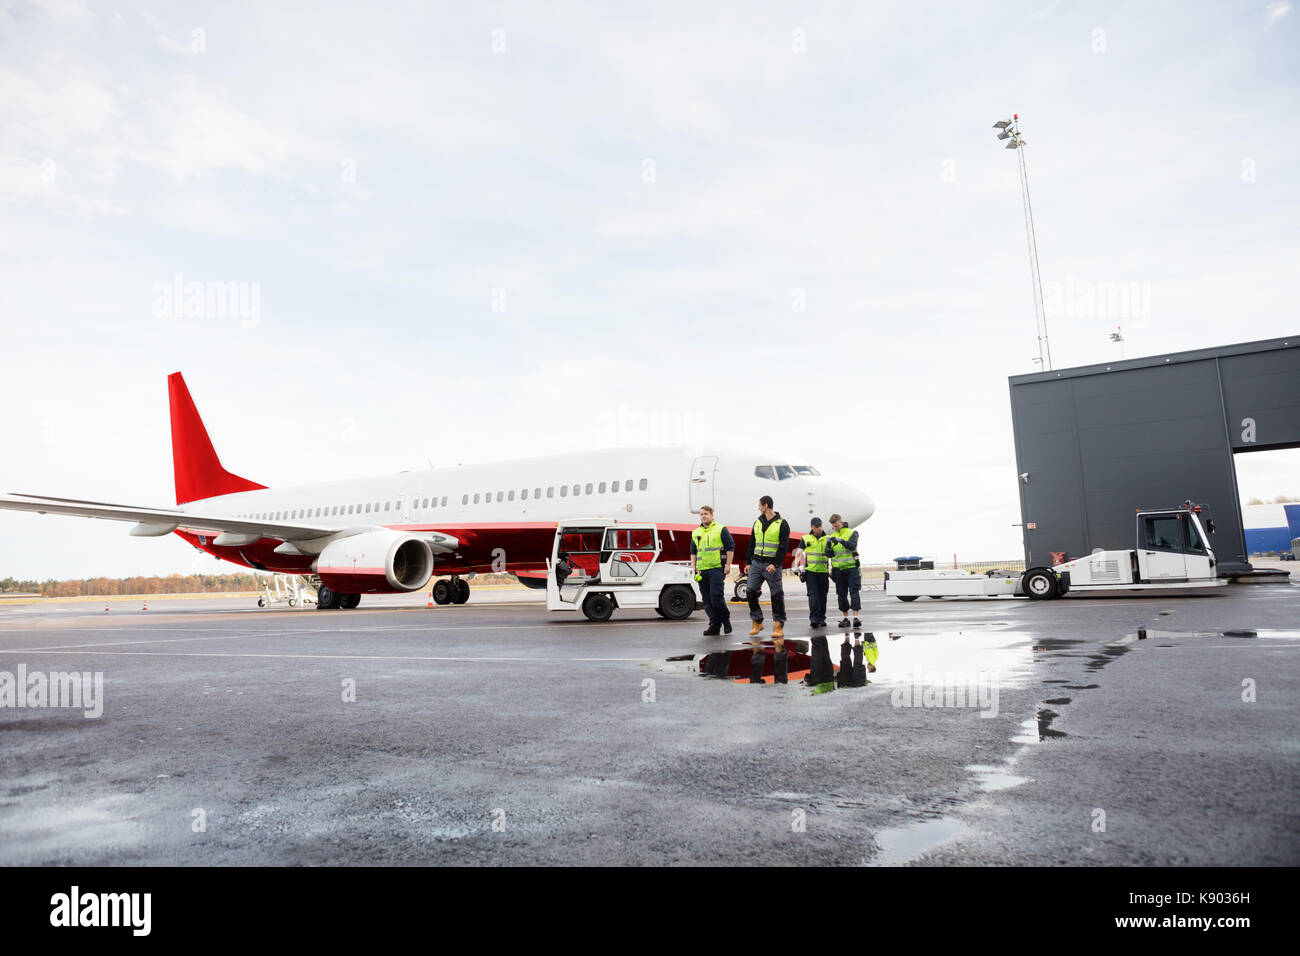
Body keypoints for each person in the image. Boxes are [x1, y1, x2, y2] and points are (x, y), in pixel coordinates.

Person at [743, 495, 789, 638]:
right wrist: (748, 563)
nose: (758, 508)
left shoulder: (782, 523)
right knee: (750, 591)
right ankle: (757, 621)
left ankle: (778, 625)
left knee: (776, 595)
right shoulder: (757, 522)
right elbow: (752, 544)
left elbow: (783, 547)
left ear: (766, 505)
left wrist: (775, 564)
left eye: (760, 505)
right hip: (756, 563)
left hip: (771, 565)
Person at [690, 505, 734, 636]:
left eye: (706, 514)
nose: (703, 516)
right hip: (702, 570)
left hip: (716, 569)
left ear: (712, 515)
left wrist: (728, 565)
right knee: (707, 600)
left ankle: (725, 620)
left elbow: (730, 547)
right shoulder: (696, 532)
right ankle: (714, 625)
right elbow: (693, 551)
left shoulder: (721, 529)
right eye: (701, 514)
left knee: (716, 597)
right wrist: (693, 566)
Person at [792, 517, 830, 628]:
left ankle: (821, 618)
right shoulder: (806, 538)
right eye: (816, 526)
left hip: (823, 572)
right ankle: (814, 619)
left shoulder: (828, 539)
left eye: (820, 526)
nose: (819, 528)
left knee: (823, 597)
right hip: (811, 572)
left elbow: (832, 554)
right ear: (812, 527)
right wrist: (796, 566)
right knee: (813, 596)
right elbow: (799, 553)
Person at [828, 513, 862, 629]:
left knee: (854, 592)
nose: (835, 528)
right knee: (841, 595)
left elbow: (852, 546)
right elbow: (830, 554)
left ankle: (856, 618)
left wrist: (841, 541)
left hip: (851, 568)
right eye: (833, 526)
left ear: (841, 523)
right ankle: (846, 618)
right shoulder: (832, 536)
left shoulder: (852, 533)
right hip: (838, 570)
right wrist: (828, 545)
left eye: (836, 526)